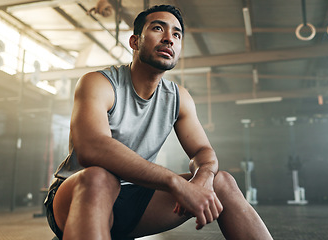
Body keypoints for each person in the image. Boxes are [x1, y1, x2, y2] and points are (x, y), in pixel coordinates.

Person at [44, 4, 273, 240]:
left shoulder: (179, 97)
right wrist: (175, 182)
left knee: (222, 181)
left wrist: (202, 178)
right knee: (100, 178)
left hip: (135, 200)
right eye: (157, 28)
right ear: (134, 42)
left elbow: (203, 152)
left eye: (176, 34)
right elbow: (92, 148)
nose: (169, 39)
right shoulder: (98, 83)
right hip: (77, 195)